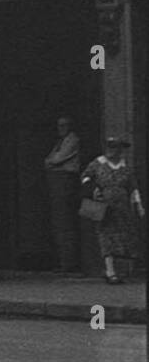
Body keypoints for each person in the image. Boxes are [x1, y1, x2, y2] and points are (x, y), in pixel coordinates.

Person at [80, 135, 144, 285]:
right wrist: (93, 189)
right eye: (110, 147)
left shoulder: (125, 168)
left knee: (122, 236)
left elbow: (133, 187)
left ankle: (120, 269)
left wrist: (139, 205)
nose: (112, 151)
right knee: (106, 235)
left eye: (116, 147)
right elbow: (85, 176)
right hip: (103, 205)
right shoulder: (98, 164)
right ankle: (110, 272)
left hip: (122, 207)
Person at [43, 116, 81, 273]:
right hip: (56, 180)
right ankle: (62, 261)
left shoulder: (72, 140)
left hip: (65, 179)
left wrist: (51, 162)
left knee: (65, 221)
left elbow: (56, 159)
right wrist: (51, 162)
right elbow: (47, 160)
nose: (61, 128)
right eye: (59, 126)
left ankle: (69, 263)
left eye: (64, 125)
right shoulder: (59, 142)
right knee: (58, 221)